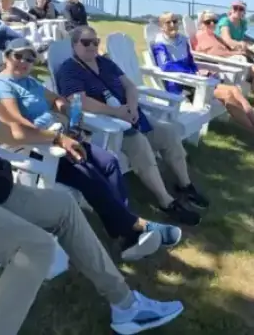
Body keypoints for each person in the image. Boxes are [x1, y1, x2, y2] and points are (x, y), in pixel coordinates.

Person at [0, 40, 185, 335]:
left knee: (64, 207)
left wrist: (55, 139)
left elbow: (11, 132)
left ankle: (126, 306)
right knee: (34, 246)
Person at [0, 39, 183, 261]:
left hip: (60, 137)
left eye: (29, 58)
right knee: (89, 175)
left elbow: (58, 99)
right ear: (6, 57)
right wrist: (58, 137)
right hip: (35, 150)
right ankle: (135, 227)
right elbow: (17, 129)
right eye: (18, 56)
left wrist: (62, 110)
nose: (24, 62)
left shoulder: (29, 82)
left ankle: (126, 233)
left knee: (109, 162)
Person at [55, 26, 206, 225]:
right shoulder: (70, 69)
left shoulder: (105, 62)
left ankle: (184, 185)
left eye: (95, 42)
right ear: (75, 45)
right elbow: (79, 101)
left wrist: (132, 107)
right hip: (110, 126)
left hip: (133, 116)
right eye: (85, 42)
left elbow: (130, 86)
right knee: (140, 144)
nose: (91, 46)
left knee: (169, 133)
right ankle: (166, 201)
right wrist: (117, 112)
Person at [151, 13, 254, 150]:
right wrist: (193, 74)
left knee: (234, 90)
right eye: (168, 22)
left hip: (197, 81)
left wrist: (199, 72)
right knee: (228, 96)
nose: (172, 25)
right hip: (182, 87)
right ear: (161, 26)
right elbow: (166, 66)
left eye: (175, 21)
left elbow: (190, 61)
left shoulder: (182, 40)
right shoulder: (160, 44)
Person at [193, 10, 254, 118]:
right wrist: (236, 53)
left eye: (214, 21)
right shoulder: (201, 36)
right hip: (224, 68)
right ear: (201, 23)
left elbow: (228, 47)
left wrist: (243, 49)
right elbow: (213, 53)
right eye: (208, 22)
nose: (212, 24)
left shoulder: (215, 36)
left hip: (232, 63)